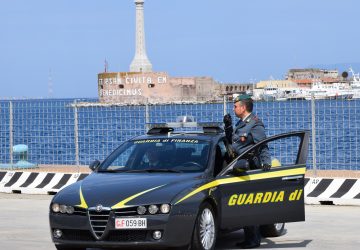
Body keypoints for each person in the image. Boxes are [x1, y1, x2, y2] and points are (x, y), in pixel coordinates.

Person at [223, 94, 271, 249]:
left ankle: (254, 239)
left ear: (243, 107)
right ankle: (248, 237)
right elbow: (233, 142)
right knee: (242, 204)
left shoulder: (255, 124)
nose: (234, 108)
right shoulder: (241, 123)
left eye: (235, 106)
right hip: (238, 166)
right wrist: (228, 127)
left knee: (249, 204)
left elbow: (262, 145)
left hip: (250, 167)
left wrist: (266, 163)